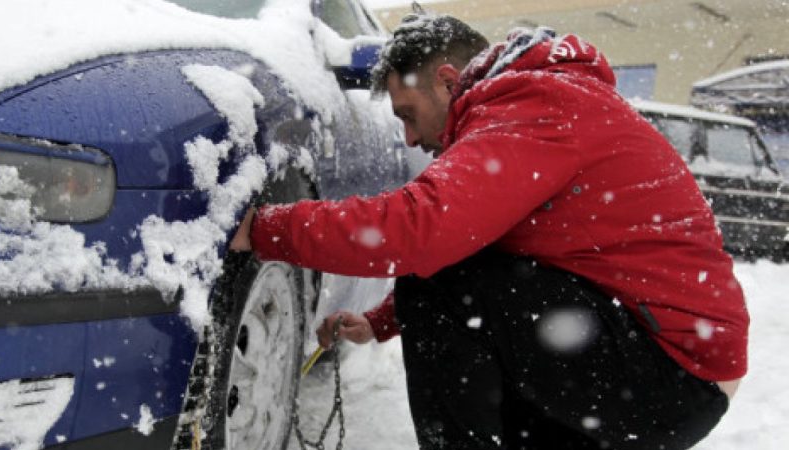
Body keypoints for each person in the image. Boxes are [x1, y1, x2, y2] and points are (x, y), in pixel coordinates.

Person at [230, 13, 748, 450]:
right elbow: (482, 247)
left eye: (408, 115)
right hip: (658, 358)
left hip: (670, 371)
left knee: (429, 278)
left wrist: (264, 228)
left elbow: (418, 231)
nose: (410, 137)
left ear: (450, 82)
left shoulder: (531, 105)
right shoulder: (543, 101)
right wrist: (381, 322)